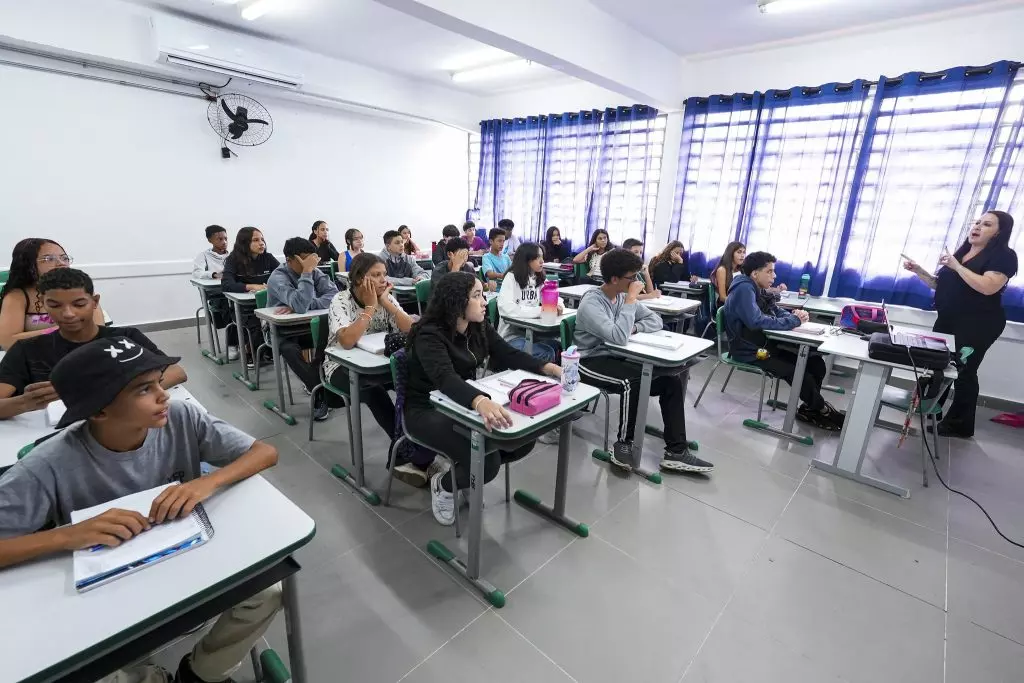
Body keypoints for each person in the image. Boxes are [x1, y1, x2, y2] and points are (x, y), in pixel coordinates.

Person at [0, 338, 281, 683]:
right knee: (96, 668)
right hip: (112, 587)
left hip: (187, 558)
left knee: (268, 591)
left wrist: (206, 482)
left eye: (159, 381)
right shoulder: (48, 464)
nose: (164, 394)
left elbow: (264, 452)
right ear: (99, 409)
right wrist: (65, 536)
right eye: (144, 389)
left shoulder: (181, 417)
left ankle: (202, 673)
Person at [404, 272, 562, 525]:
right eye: (477, 295)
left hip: (462, 402)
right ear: (457, 302)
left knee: (523, 439)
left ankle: (465, 471)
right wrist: (480, 401)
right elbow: (445, 379)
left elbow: (507, 352)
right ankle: (444, 485)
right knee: (487, 464)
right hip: (426, 409)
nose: (484, 300)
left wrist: (547, 368)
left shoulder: (477, 325)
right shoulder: (429, 335)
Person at [574, 248, 714, 474]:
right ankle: (623, 443)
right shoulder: (593, 302)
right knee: (633, 381)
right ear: (614, 279)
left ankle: (676, 452)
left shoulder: (620, 297)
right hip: (588, 361)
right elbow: (619, 337)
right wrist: (630, 301)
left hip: (615, 356)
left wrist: (634, 326)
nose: (637, 282)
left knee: (671, 381)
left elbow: (655, 320)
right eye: (632, 277)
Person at [0, 267, 187, 420]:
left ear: (95, 301)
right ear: (43, 303)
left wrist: (117, 392)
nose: (68, 314)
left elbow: (176, 372)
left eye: (79, 304)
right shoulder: (28, 349)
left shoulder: (125, 338)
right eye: (55, 305)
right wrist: (26, 402)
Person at [904, 210, 1019, 438]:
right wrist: (918, 271)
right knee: (939, 363)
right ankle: (933, 409)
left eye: (986, 224)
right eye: (976, 222)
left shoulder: (1004, 256)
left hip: (979, 322)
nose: (976, 227)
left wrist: (957, 266)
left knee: (964, 371)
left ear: (999, 232)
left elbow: (988, 286)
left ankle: (960, 424)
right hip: (949, 317)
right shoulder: (964, 252)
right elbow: (941, 285)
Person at [325, 253, 424, 484]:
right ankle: (408, 450)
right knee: (373, 391)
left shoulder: (385, 296)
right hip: (340, 366)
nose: (382, 280)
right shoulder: (341, 300)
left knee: (414, 382)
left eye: (384, 274)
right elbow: (347, 341)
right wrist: (370, 307)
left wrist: (387, 303)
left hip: (377, 363)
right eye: (376, 275)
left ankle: (415, 443)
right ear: (359, 279)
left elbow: (411, 329)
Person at [722, 251, 842, 431]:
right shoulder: (743, 289)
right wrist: (793, 322)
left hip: (765, 346)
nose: (774, 275)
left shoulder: (757, 288)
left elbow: (773, 310)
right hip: (750, 351)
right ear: (755, 273)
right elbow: (755, 321)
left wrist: (795, 315)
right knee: (798, 372)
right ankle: (821, 408)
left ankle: (809, 408)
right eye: (769, 271)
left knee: (816, 364)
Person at [266, 237, 339, 421]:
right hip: (279, 330)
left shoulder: (314, 272)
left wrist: (309, 303)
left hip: (307, 325)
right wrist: (306, 273)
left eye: (312, 259)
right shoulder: (278, 277)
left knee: (329, 336)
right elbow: (299, 305)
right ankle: (319, 392)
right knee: (289, 349)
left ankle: (317, 380)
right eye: (305, 259)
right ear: (290, 260)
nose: (310, 264)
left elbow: (334, 295)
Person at [0, 238, 104, 350]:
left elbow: (99, 330)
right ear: (28, 265)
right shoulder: (18, 296)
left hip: (78, 352)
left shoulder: (80, 288)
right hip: (37, 357)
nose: (61, 263)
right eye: (49, 259)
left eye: (64, 258)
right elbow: (8, 341)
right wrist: (61, 331)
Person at [222, 227, 278, 366]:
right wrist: (251, 286)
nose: (261, 243)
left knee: (275, 321)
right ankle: (250, 352)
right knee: (256, 324)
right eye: (256, 240)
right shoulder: (233, 260)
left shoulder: (268, 258)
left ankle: (268, 350)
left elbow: (283, 275)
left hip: (266, 304)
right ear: (244, 243)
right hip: (242, 308)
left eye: (262, 239)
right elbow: (226, 284)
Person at [497, 243, 562, 362]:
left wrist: (558, 306)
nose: (542, 261)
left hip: (533, 333)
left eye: (542, 257)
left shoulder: (539, 278)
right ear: (526, 259)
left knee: (559, 346)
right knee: (547, 353)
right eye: (537, 257)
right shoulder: (511, 278)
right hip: (511, 337)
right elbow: (506, 308)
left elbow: (555, 297)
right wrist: (539, 311)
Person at [192, 225, 239, 358]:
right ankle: (232, 344)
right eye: (219, 239)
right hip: (216, 295)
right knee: (233, 310)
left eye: (225, 238)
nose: (224, 242)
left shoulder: (233, 255)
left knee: (244, 309)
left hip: (232, 291)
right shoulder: (203, 256)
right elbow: (197, 273)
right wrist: (213, 274)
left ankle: (248, 343)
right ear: (210, 240)